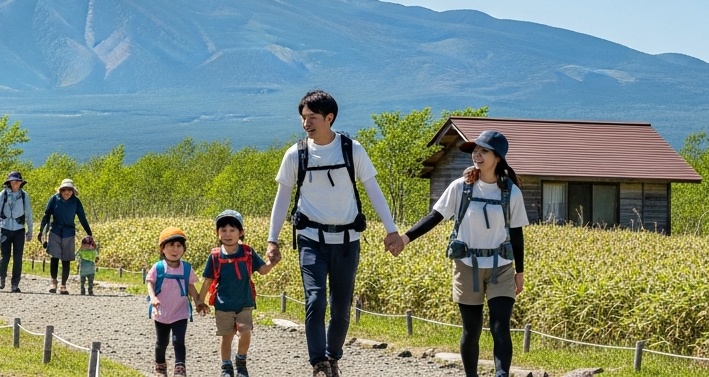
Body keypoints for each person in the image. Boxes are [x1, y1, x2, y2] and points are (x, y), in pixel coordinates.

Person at [265, 90, 401, 377]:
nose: (306, 123)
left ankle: (332, 357)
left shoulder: (352, 150)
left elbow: (373, 190)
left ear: (330, 118)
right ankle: (319, 363)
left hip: (347, 241)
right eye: (303, 117)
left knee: (341, 307)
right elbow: (282, 198)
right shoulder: (295, 154)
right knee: (315, 300)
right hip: (310, 239)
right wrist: (272, 240)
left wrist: (392, 231)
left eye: (312, 118)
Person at [389, 130, 527, 377]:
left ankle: (501, 374)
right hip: (466, 265)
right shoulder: (461, 187)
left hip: (502, 267)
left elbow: (517, 233)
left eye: (483, 151)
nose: (477, 155)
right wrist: (405, 238)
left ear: (498, 158)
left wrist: (520, 271)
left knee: (500, 327)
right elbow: (435, 216)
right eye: (475, 150)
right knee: (471, 330)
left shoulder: (511, 192)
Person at [195, 210, 272, 377]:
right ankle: (226, 366)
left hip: (245, 302)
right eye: (223, 230)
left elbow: (263, 270)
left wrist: (272, 262)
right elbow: (207, 280)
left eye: (232, 230)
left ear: (240, 232)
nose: (227, 234)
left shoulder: (248, 252)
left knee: (245, 332)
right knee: (227, 336)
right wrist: (200, 301)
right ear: (217, 233)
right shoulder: (215, 256)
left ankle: (241, 361)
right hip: (223, 304)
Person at [147, 227, 194, 377]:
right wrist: (153, 298)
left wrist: (199, 301)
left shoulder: (186, 268)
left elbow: (191, 287)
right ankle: (160, 366)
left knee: (178, 340)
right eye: (171, 245)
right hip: (161, 312)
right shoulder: (158, 267)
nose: (175, 249)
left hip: (180, 311)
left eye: (179, 246)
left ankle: (180, 368)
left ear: (184, 249)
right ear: (162, 249)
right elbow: (150, 283)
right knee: (162, 342)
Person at [38, 178, 92, 294]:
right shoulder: (54, 199)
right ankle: (53, 282)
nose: (66, 192)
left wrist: (89, 232)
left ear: (73, 191)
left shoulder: (76, 202)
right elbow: (46, 215)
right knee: (54, 257)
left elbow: (82, 218)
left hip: (69, 232)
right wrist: (41, 231)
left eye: (69, 190)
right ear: (60, 190)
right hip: (55, 230)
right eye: (64, 190)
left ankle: (63, 285)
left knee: (66, 259)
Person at [0, 171, 32, 292]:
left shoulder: (24, 195)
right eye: (13, 181)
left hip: (19, 229)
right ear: (9, 182)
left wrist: (30, 230)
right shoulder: (3, 194)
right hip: (5, 228)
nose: (16, 183)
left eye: (18, 181)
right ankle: (2, 278)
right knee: (5, 256)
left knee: (18, 257)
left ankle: (15, 283)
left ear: (21, 183)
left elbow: (28, 213)